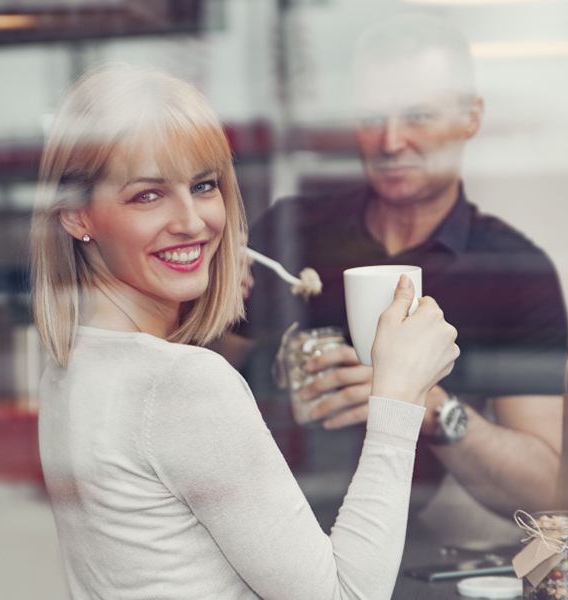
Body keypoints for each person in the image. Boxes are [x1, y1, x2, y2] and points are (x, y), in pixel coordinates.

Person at [30, 63, 459, 599]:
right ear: (76, 215)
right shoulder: (186, 385)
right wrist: (399, 397)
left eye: (203, 185)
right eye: (148, 195)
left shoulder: (71, 363)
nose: (192, 222)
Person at [234, 14, 568, 541]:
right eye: (372, 117)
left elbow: (545, 489)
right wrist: (265, 357)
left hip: (399, 544)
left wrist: (431, 407)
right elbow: (195, 378)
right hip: (256, 531)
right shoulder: (290, 233)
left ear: (471, 118)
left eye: (417, 116)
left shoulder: (514, 271)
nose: (391, 141)